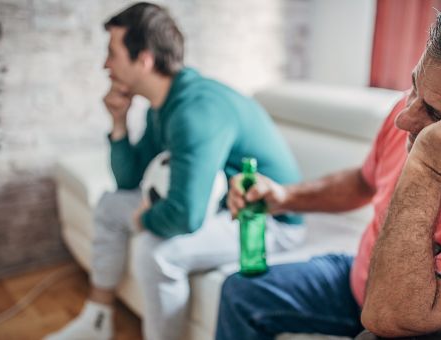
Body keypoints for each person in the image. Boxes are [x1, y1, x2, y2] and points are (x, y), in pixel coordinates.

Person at [216, 0, 441, 339]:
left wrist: (429, 167)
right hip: (365, 281)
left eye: (435, 113)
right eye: (415, 86)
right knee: (241, 292)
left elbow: (389, 317)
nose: (405, 119)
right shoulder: (413, 110)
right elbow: (363, 182)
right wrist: (284, 197)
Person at [45, 3, 305, 340]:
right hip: (223, 203)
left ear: (145, 59)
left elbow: (186, 216)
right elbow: (128, 181)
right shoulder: (165, 104)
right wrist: (119, 121)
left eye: (112, 53)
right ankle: (97, 320)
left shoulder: (193, 112)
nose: (105, 65)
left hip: (268, 221)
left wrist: (143, 220)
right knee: (110, 205)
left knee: (156, 252)